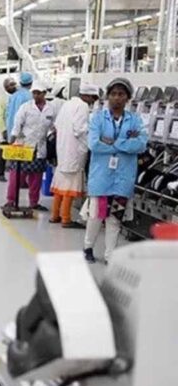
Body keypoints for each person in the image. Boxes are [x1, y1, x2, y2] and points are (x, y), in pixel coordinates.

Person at [83, 77, 148, 263]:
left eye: (121, 94)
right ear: (108, 96)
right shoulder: (98, 119)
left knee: (115, 219)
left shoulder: (135, 120)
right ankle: (88, 247)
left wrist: (114, 142)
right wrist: (126, 143)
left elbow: (141, 144)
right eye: (113, 94)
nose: (117, 98)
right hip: (101, 176)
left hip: (123, 177)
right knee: (96, 216)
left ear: (127, 98)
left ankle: (110, 255)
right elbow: (94, 144)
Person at [50, 83, 100, 228]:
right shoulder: (82, 106)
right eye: (93, 99)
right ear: (87, 96)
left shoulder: (67, 104)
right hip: (75, 151)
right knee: (69, 187)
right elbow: (80, 129)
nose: (92, 102)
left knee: (61, 184)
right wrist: (93, 137)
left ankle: (55, 215)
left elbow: (57, 125)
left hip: (63, 149)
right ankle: (66, 218)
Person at [3, 81, 55, 211]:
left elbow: (53, 127)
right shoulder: (25, 107)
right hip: (23, 146)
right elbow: (16, 126)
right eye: (34, 93)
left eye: (38, 93)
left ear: (44, 93)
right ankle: (10, 201)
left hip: (40, 148)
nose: (36, 95)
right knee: (16, 176)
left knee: (36, 178)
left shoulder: (51, 109)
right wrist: (11, 143)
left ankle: (34, 202)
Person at [0, 77, 17, 182]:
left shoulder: (17, 97)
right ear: (5, 87)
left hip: (15, 128)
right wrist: (3, 130)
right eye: (11, 85)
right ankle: (1, 173)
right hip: (5, 128)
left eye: (14, 84)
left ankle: (14, 172)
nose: (14, 87)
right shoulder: (1, 99)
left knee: (15, 150)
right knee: (3, 151)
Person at [5, 72, 34, 141]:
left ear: (20, 83)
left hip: (11, 130)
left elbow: (7, 114)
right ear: (31, 83)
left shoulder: (13, 96)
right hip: (22, 133)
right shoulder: (30, 96)